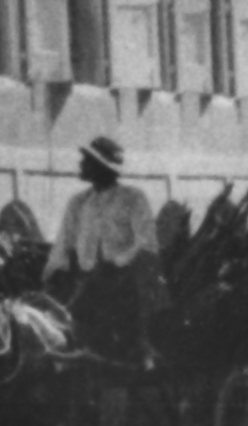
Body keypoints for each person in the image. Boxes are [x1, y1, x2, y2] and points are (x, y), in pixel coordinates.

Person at [45, 135, 165, 369]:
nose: (81, 165)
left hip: (124, 281)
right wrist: (51, 273)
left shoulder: (132, 198)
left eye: (86, 161)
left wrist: (118, 261)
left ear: (102, 167)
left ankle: (140, 350)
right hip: (84, 279)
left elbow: (146, 241)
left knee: (98, 298)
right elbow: (63, 244)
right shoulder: (78, 203)